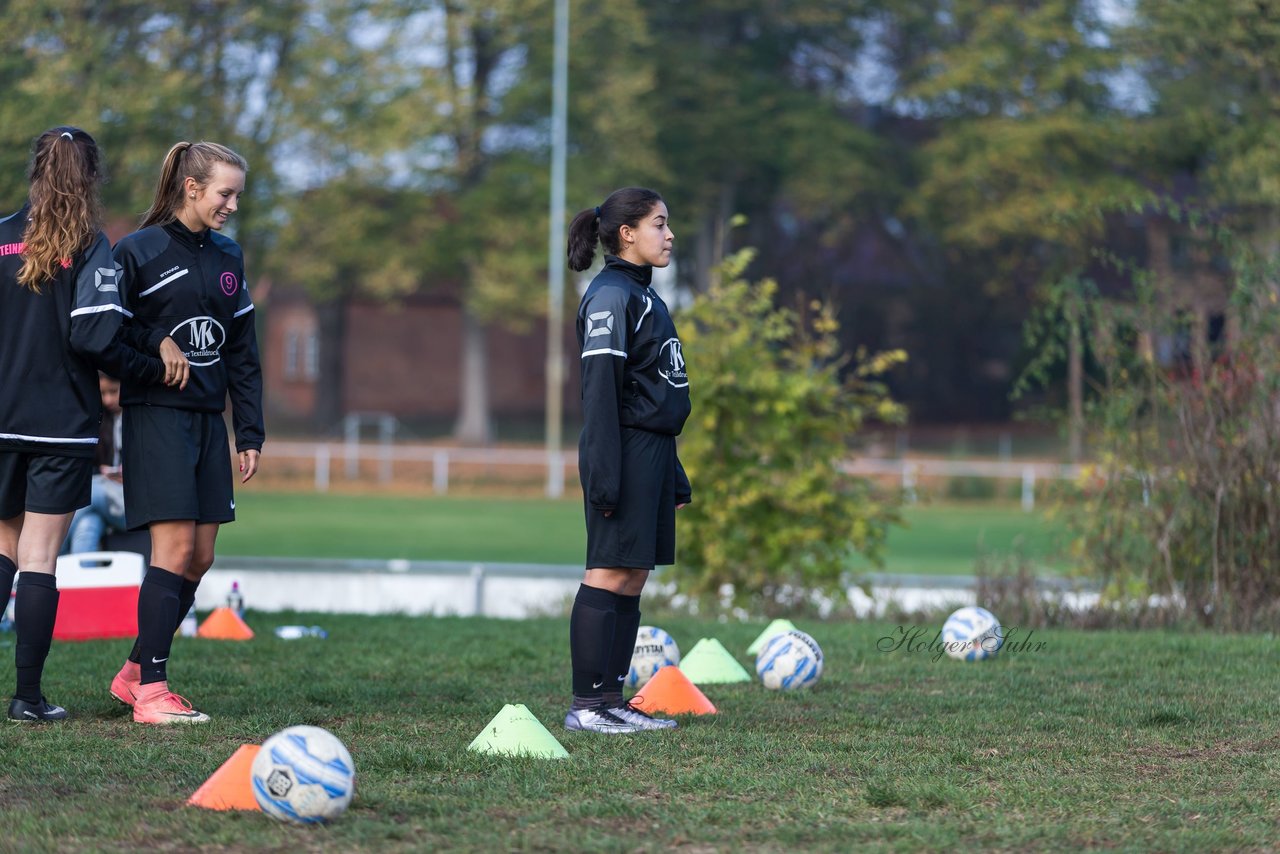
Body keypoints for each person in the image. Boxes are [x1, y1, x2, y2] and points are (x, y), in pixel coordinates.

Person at [0, 127, 174, 722]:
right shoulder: (90, 243)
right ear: (91, 177)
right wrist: (153, 367)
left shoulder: (0, 237)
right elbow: (96, 336)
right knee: (40, 557)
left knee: (2, 549)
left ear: (35, 171)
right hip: (61, 428)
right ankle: (27, 699)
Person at [107, 141, 265, 725]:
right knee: (170, 551)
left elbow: (243, 353)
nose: (232, 204)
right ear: (192, 187)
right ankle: (153, 691)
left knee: (199, 558)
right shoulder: (136, 252)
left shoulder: (229, 256)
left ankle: (131, 674)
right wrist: (156, 343)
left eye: (238, 195)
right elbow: (108, 334)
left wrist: (249, 431)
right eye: (226, 193)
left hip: (207, 424)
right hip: (156, 418)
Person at [562, 187, 692, 733]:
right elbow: (600, 396)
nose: (668, 236)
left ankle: (612, 700)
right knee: (607, 573)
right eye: (659, 225)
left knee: (634, 575)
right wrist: (606, 475)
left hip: (654, 453)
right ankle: (586, 707)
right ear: (627, 234)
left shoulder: (646, 296)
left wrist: (673, 472)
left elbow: (659, 388)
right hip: (623, 451)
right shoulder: (610, 296)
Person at [62, 374, 126, 555]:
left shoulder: (141, 421)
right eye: (103, 394)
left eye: (113, 392)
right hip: (104, 501)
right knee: (87, 527)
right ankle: (78, 582)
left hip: (132, 503)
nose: (108, 400)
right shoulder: (99, 421)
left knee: (89, 490)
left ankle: (37, 565)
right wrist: (102, 471)